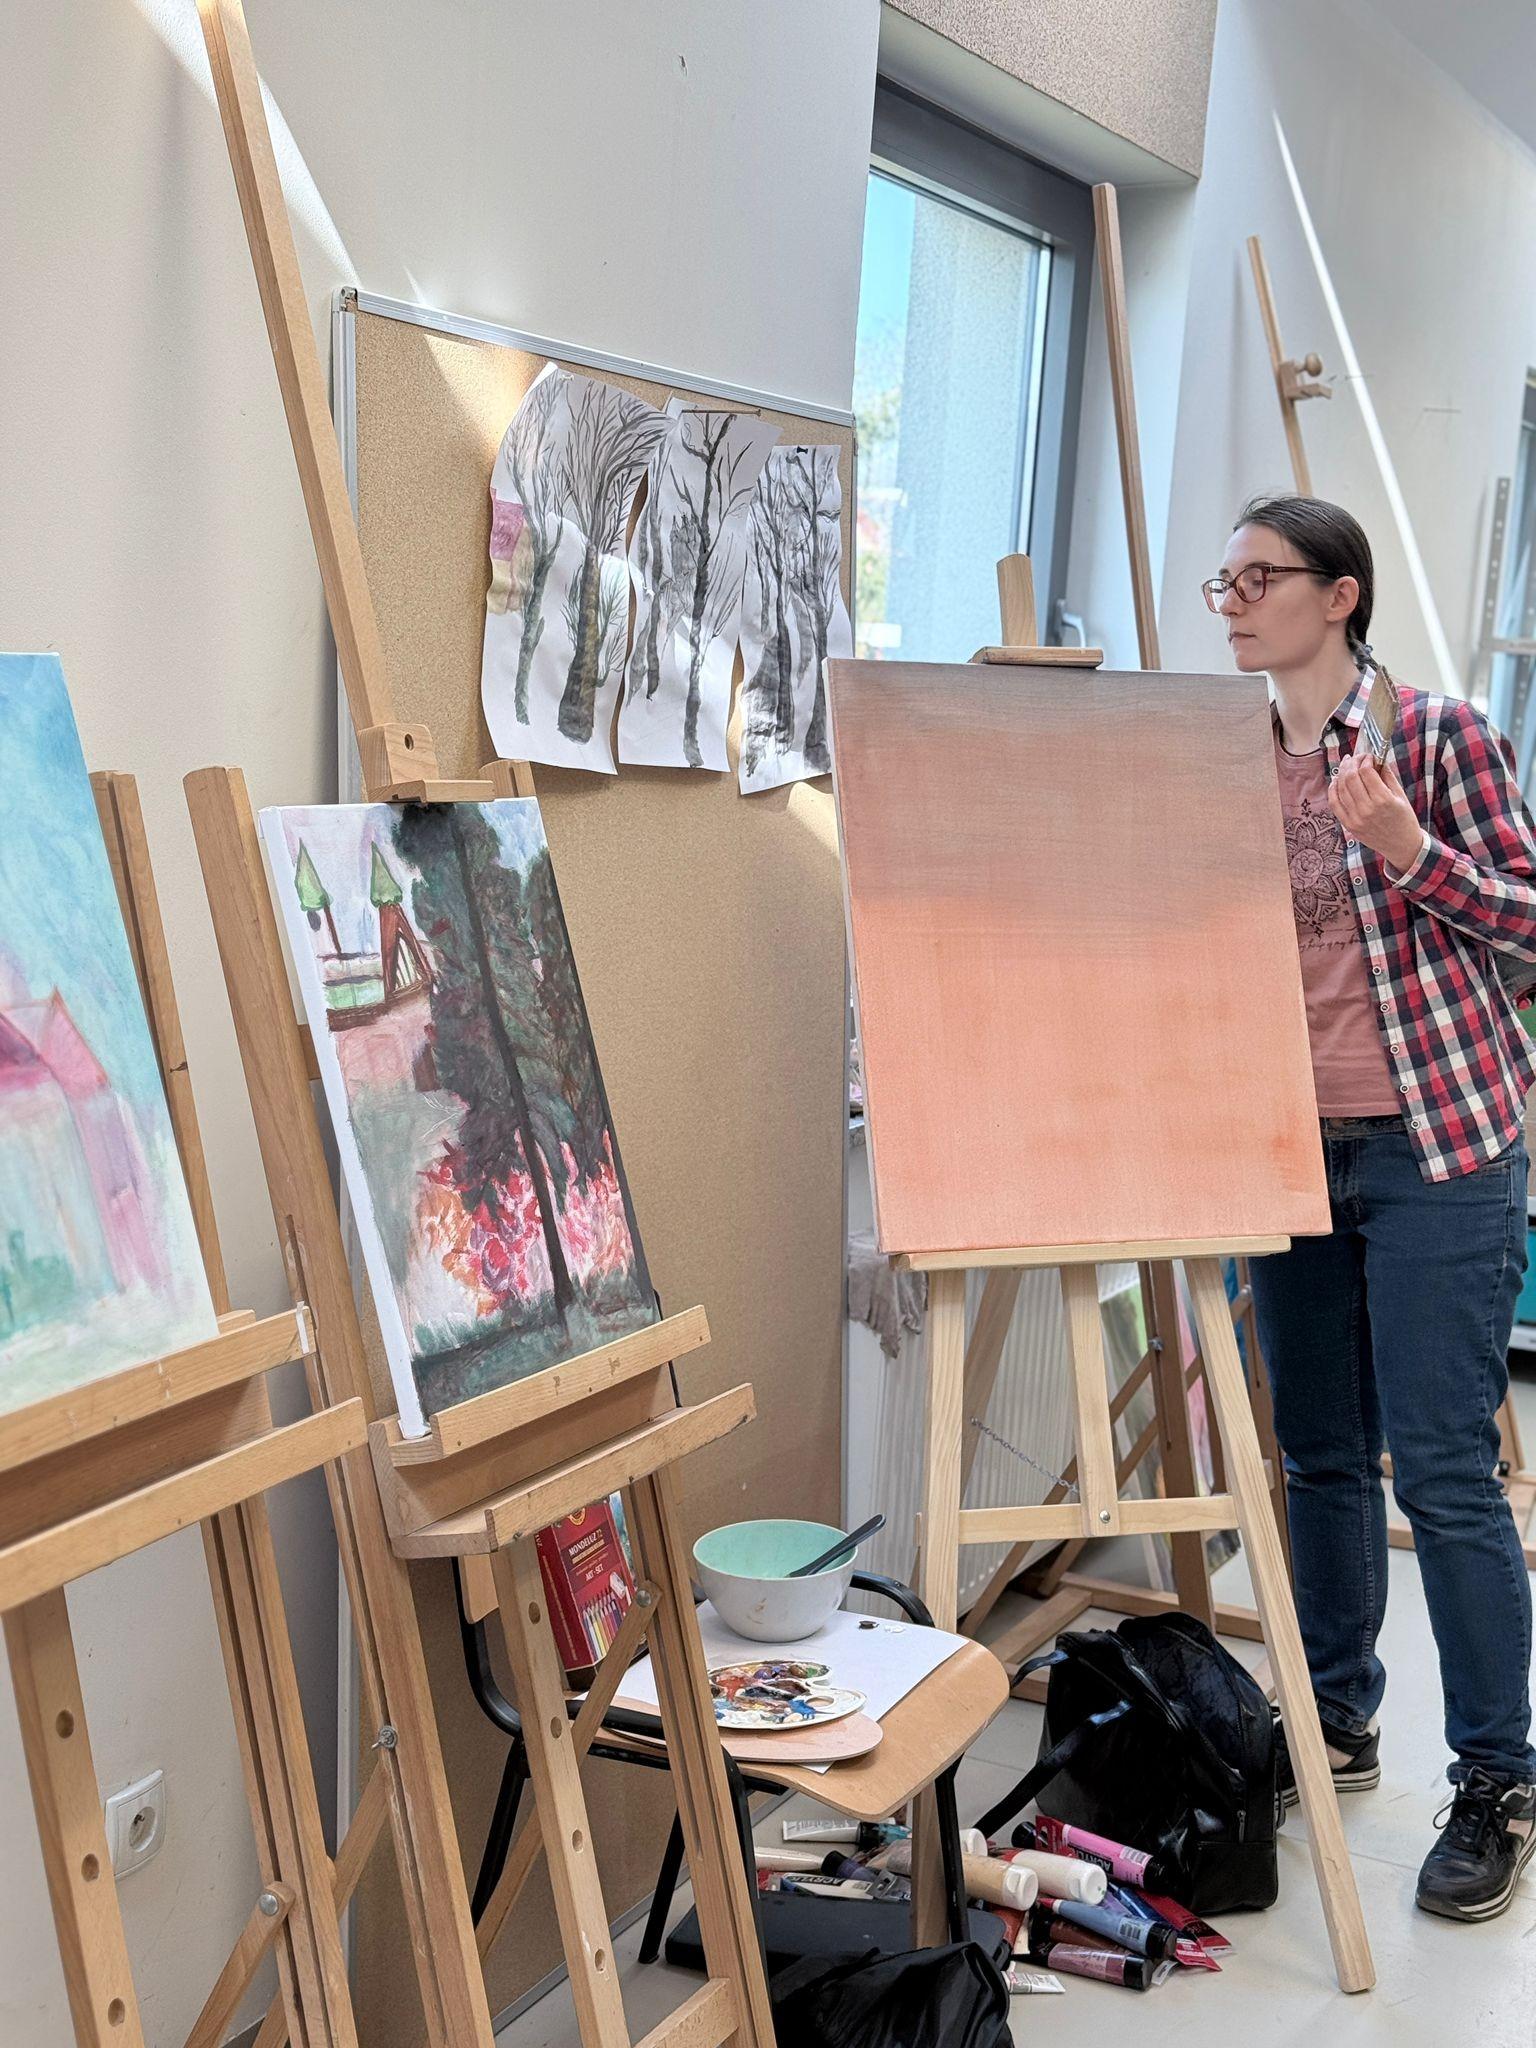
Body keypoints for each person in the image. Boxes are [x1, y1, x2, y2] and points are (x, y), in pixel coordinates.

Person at [1205, 493, 1536, 1921]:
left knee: (1444, 1472)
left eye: (1260, 579)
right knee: (1320, 1456)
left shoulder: (1440, 738)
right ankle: (1336, 1718)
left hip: (1439, 1151)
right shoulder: (1223, 759)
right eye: (1224, 583)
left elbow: (1530, 921)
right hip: (1290, 1150)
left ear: (1340, 596)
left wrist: (1409, 848)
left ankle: (1498, 1780)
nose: (1233, 603)